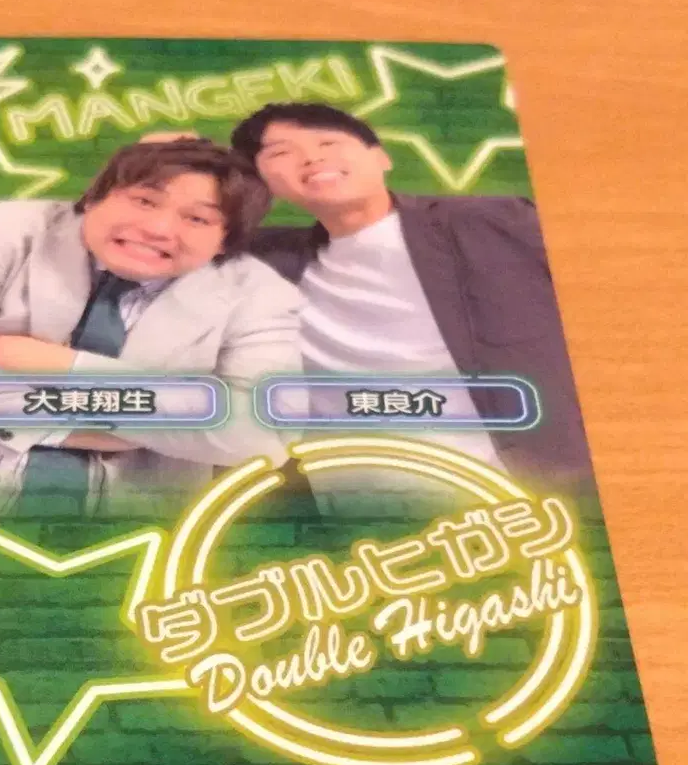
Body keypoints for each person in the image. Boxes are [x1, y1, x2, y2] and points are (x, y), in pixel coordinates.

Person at [0, 139, 302, 517]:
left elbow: (264, 430)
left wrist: (65, 366)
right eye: (144, 200)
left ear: (225, 241)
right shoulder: (1, 230)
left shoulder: (259, 293)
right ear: (94, 197)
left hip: (122, 537)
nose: (158, 229)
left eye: (197, 218)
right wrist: (66, 427)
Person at [225, 102, 595, 495]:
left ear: (381, 158)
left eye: (329, 142)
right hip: (359, 502)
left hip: (520, 486)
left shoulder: (490, 221)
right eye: (281, 152)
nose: (312, 156)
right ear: (264, 181)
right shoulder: (267, 261)